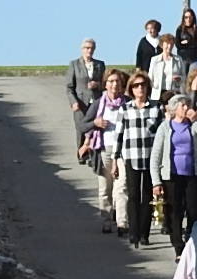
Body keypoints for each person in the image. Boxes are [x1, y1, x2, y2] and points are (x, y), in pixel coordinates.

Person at [112, 74, 167, 247]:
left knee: (147, 196)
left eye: (143, 85)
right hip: (131, 156)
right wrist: (115, 158)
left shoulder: (156, 108)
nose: (140, 89)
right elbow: (119, 134)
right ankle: (133, 233)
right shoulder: (125, 109)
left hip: (151, 158)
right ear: (131, 89)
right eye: (136, 86)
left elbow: (163, 133)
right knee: (133, 195)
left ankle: (145, 233)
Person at [150, 96, 197, 253]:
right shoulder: (165, 128)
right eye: (182, 105)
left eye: (187, 104)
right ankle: (178, 246)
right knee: (174, 211)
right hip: (171, 176)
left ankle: (190, 239)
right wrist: (156, 181)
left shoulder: (193, 125)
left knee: (194, 209)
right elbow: (156, 155)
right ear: (175, 109)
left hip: (192, 174)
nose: (186, 107)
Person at [83, 67, 128, 227]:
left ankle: (122, 222)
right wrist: (95, 123)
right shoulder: (98, 105)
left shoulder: (128, 103)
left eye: (117, 81)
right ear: (105, 84)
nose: (114, 84)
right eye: (111, 81)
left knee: (121, 187)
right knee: (105, 188)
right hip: (103, 149)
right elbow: (83, 126)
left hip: (123, 151)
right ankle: (106, 220)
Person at [65, 39, 104, 151]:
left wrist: (97, 85)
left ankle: (93, 153)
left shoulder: (100, 65)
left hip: (96, 102)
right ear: (82, 49)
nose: (89, 50)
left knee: (95, 128)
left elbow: (106, 83)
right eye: (87, 48)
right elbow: (69, 87)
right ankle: (81, 153)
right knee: (81, 128)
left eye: (91, 48)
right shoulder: (74, 64)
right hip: (81, 103)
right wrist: (73, 102)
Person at [169, 8, 197, 82]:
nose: (188, 19)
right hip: (183, 58)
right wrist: (194, 42)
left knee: (192, 78)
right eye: (186, 17)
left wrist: (187, 42)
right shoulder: (179, 30)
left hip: (195, 58)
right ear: (183, 18)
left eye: (190, 17)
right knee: (183, 78)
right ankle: (183, 93)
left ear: (193, 17)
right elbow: (178, 45)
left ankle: (192, 93)